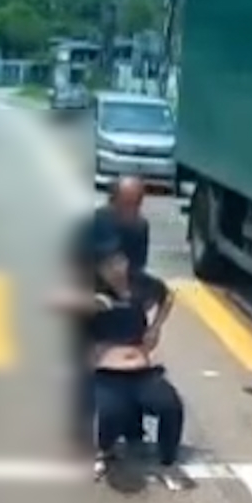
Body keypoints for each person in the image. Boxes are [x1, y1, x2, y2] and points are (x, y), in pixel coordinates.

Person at [53, 241, 191, 490]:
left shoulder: (141, 283)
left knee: (170, 405)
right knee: (111, 412)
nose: (116, 269)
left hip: (142, 372)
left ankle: (168, 460)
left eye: (119, 262)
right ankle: (100, 451)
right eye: (108, 266)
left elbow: (168, 296)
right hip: (106, 373)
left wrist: (155, 327)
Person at [66, 177, 160, 453]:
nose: (134, 211)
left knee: (131, 361)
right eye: (128, 204)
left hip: (118, 300)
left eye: (138, 204)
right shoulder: (94, 225)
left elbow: (136, 269)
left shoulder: (141, 227)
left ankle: (132, 427)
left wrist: (140, 309)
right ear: (113, 201)